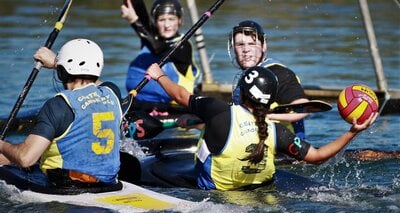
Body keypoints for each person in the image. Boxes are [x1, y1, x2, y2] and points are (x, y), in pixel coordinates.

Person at [145, 63, 377, 191]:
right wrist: (353, 132)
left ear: (241, 92)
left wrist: (159, 75)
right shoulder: (277, 131)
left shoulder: (217, 110)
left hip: (214, 196)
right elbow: (317, 156)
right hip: (262, 197)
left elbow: (181, 95)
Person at [0, 39, 123, 194]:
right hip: (109, 184)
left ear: (61, 72)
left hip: (65, 188)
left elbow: (26, 158)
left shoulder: (58, 105)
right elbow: (96, 82)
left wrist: (2, 144)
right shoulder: (113, 94)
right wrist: (58, 62)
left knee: (13, 153)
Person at [229, 20, 309, 139]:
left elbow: (304, 109)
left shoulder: (279, 74)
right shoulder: (246, 76)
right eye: (240, 45)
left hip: (285, 148)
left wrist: (265, 116)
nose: (245, 50)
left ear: (263, 46)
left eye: (252, 44)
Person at [120, 0, 199, 115]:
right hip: (141, 106)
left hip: (174, 109)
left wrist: (133, 21)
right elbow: (142, 17)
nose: (167, 25)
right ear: (156, 22)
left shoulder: (184, 46)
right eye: (162, 20)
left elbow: (158, 49)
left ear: (180, 20)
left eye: (171, 19)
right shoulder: (151, 38)